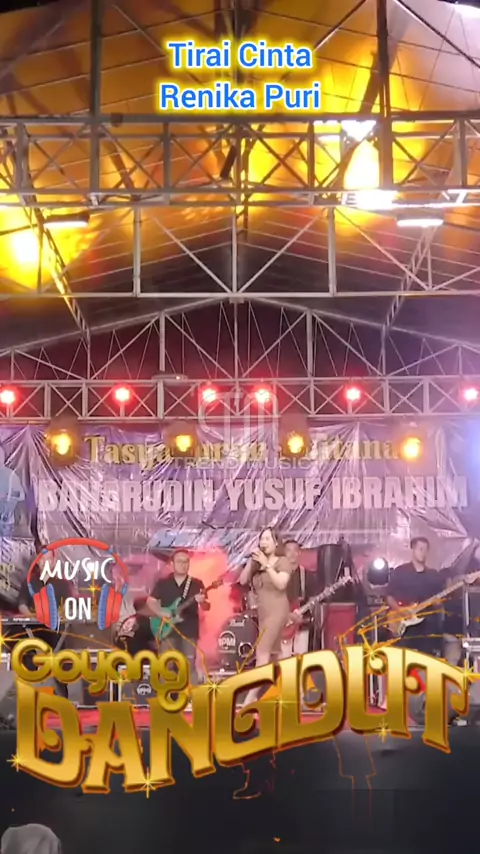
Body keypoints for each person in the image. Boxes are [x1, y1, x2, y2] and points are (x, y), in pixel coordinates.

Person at [239, 528, 292, 705]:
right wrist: (251, 561)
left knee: (262, 653)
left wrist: (267, 565)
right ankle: (298, 690)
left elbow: (281, 584)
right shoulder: (257, 564)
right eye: (262, 539)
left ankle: (250, 699)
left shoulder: (282, 561)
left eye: (268, 539)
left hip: (277, 611)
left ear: (276, 543)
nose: (264, 542)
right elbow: (242, 581)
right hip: (263, 614)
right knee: (276, 656)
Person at [144, 549, 209, 685]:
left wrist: (202, 602)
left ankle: (191, 696)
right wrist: (161, 612)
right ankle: (165, 694)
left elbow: (206, 607)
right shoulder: (163, 583)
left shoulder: (197, 584)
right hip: (167, 630)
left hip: (189, 630)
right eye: (180, 561)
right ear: (172, 564)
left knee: (189, 666)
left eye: (186, 562)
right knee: (166, 665)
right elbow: (150, 601)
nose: (183, 565)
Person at [15, 544, 72, 698]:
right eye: (42, 559)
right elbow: (22, 604)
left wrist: (60, 613)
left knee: (60, 655)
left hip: (55, 632)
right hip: (33, 631)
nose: (45, 563)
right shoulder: (29, 582)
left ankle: (61, 698)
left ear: (53, 561)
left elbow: (68, 606)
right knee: (27, 652)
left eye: (48, 560)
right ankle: (31, 698)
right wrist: (31, 616)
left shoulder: (62, 584)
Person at [386, 537, 443, 655]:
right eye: (420, 549)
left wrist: (438, 603)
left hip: (427, 626)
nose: (423, 552)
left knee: (426, 656)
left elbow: (439, 602)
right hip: (405, 625)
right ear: (413, 550)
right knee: (404, 656)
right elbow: (389, 596)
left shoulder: (433, 575)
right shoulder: (401, 571)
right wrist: (401, 611)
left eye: (425, 550)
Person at [280, 539, 318, 658]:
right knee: (283, 661)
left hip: (302, 624)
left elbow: (312, 598)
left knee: (301, 660)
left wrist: (305, 615)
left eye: (295, 550)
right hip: (283, 624)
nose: (292, 554)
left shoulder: (307, 575)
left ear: (299, 553)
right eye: (288, 551)